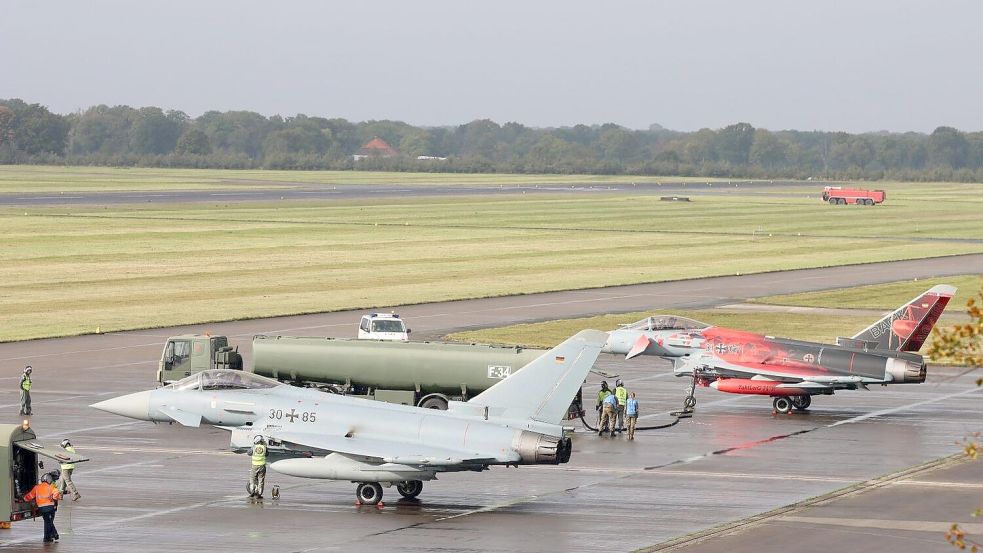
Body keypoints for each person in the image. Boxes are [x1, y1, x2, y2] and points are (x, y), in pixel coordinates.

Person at [24, 472, 61, 542]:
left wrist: (24, 499)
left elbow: (30, 496)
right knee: (49, 521)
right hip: (51, 507)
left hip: (42, 508)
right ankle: (51, 536)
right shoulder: (51, 486)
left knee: (48, 521)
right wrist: (54, 498)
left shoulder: (37, 487)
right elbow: (56, 493)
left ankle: (51, 536)